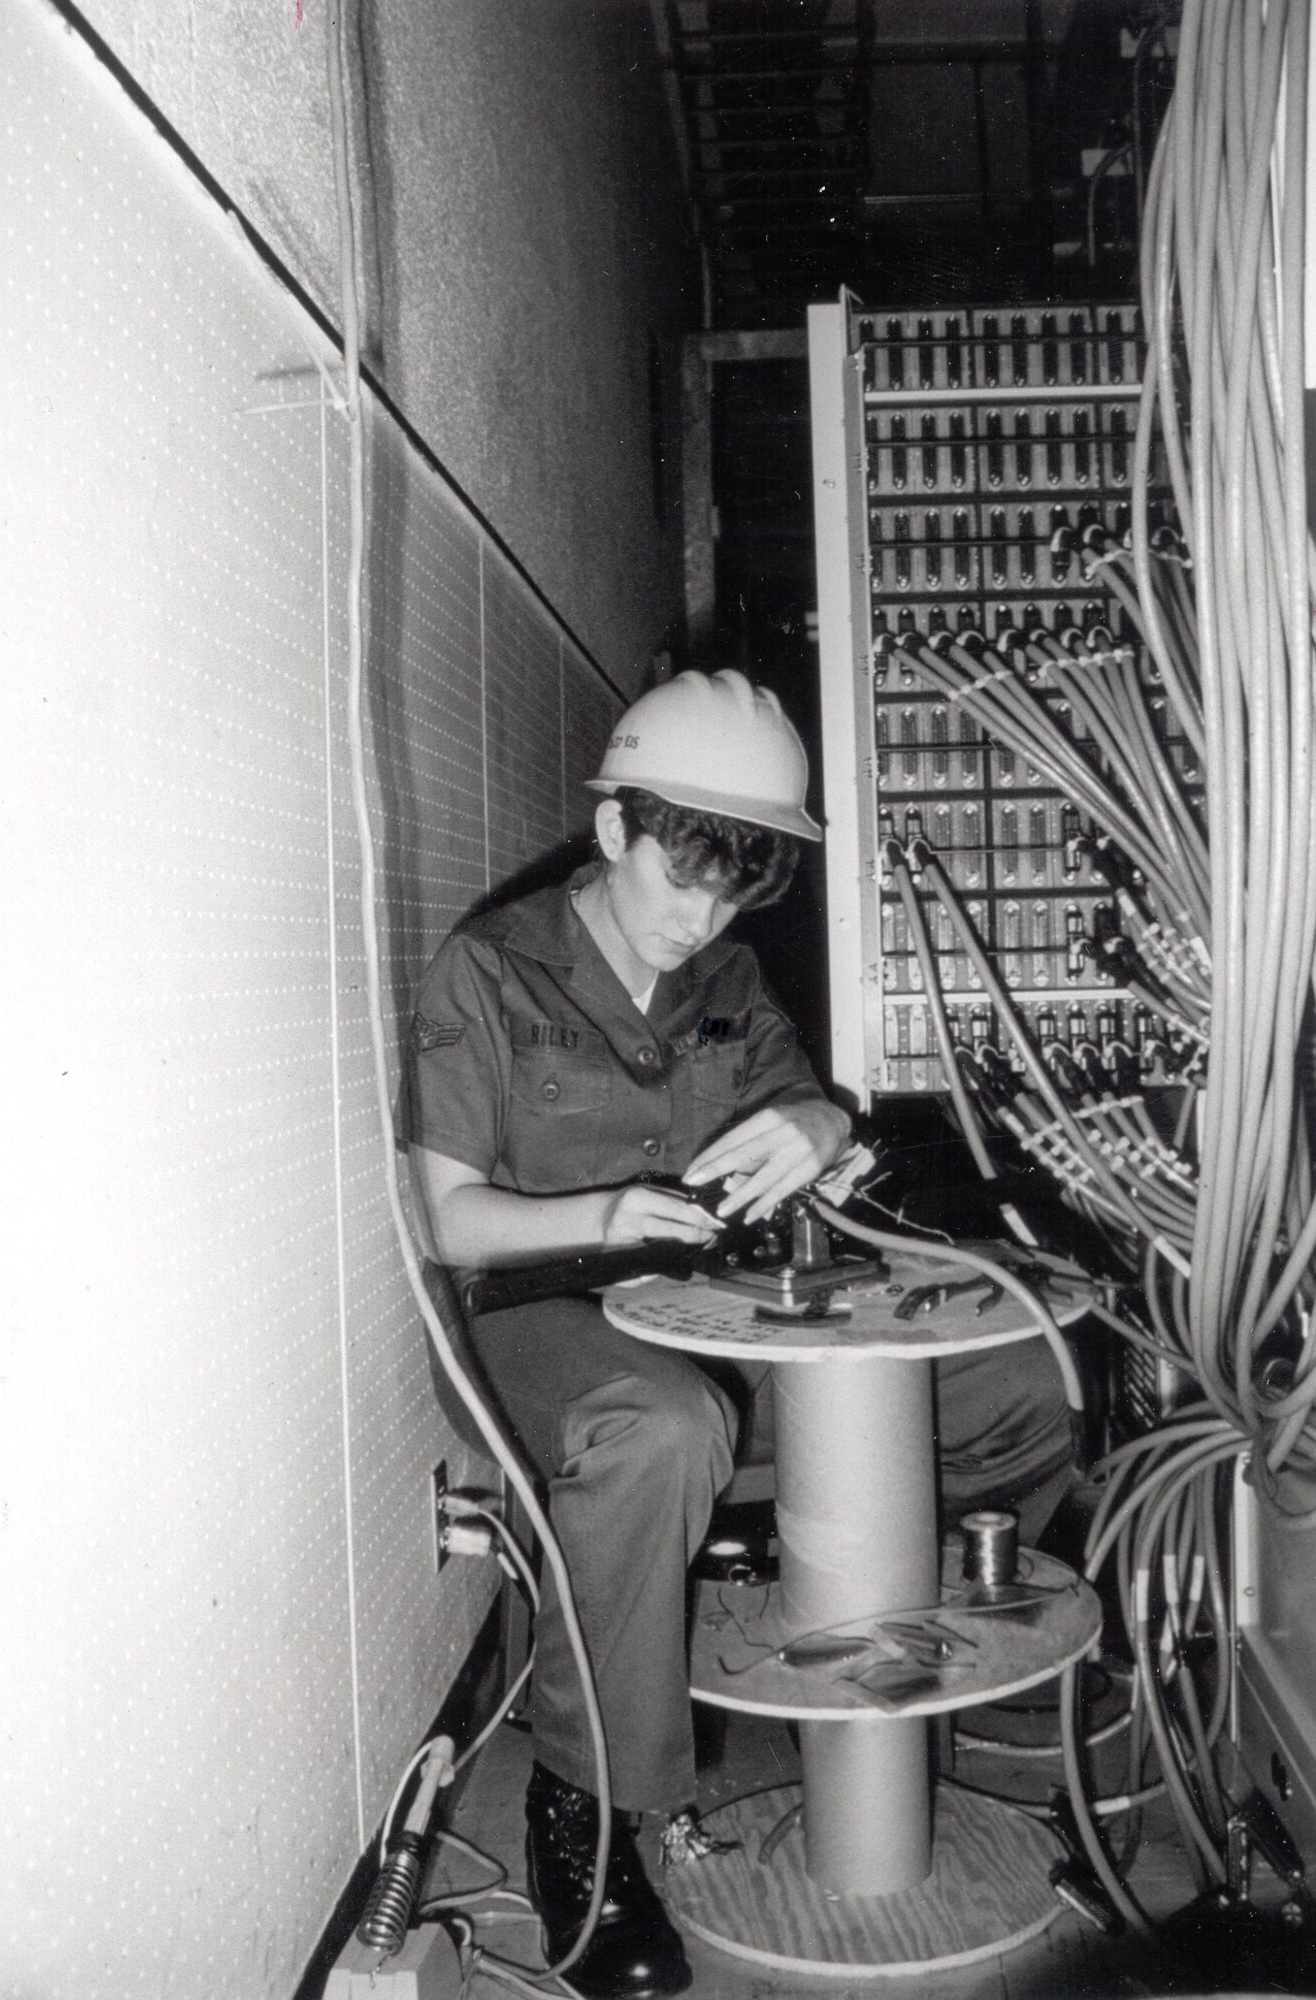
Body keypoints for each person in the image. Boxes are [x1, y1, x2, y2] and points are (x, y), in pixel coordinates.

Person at [401, 671, 1072, 1999]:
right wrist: (602, 1202)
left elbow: (816, 1124)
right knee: (660, 1428)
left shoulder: (726, 974)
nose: (696, 918)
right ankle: (586, 1806)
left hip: (713, 1310)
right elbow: (448, 1220)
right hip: (541, 1319)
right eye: (678, 878)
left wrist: (823, 1128)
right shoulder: (492, 966)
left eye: (730, 890)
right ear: (611, 832)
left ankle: (895, 1631)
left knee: (1014, 1386)